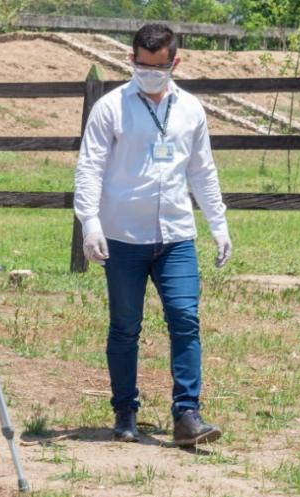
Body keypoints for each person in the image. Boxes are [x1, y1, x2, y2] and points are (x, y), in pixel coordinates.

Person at [74, 22, 232, 448]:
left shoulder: (191, 109)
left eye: (158, 68)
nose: (148, 74)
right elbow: (89, 167)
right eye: (141, 66)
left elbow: (202, 170)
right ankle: (125, 410)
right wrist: (90, 222)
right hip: (123, 235)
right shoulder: (110, 108)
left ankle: (187, 414)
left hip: (176, 235)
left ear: (174, 63)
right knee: (126, 326)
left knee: (185, 319)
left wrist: (218, 224)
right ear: (131, 60)